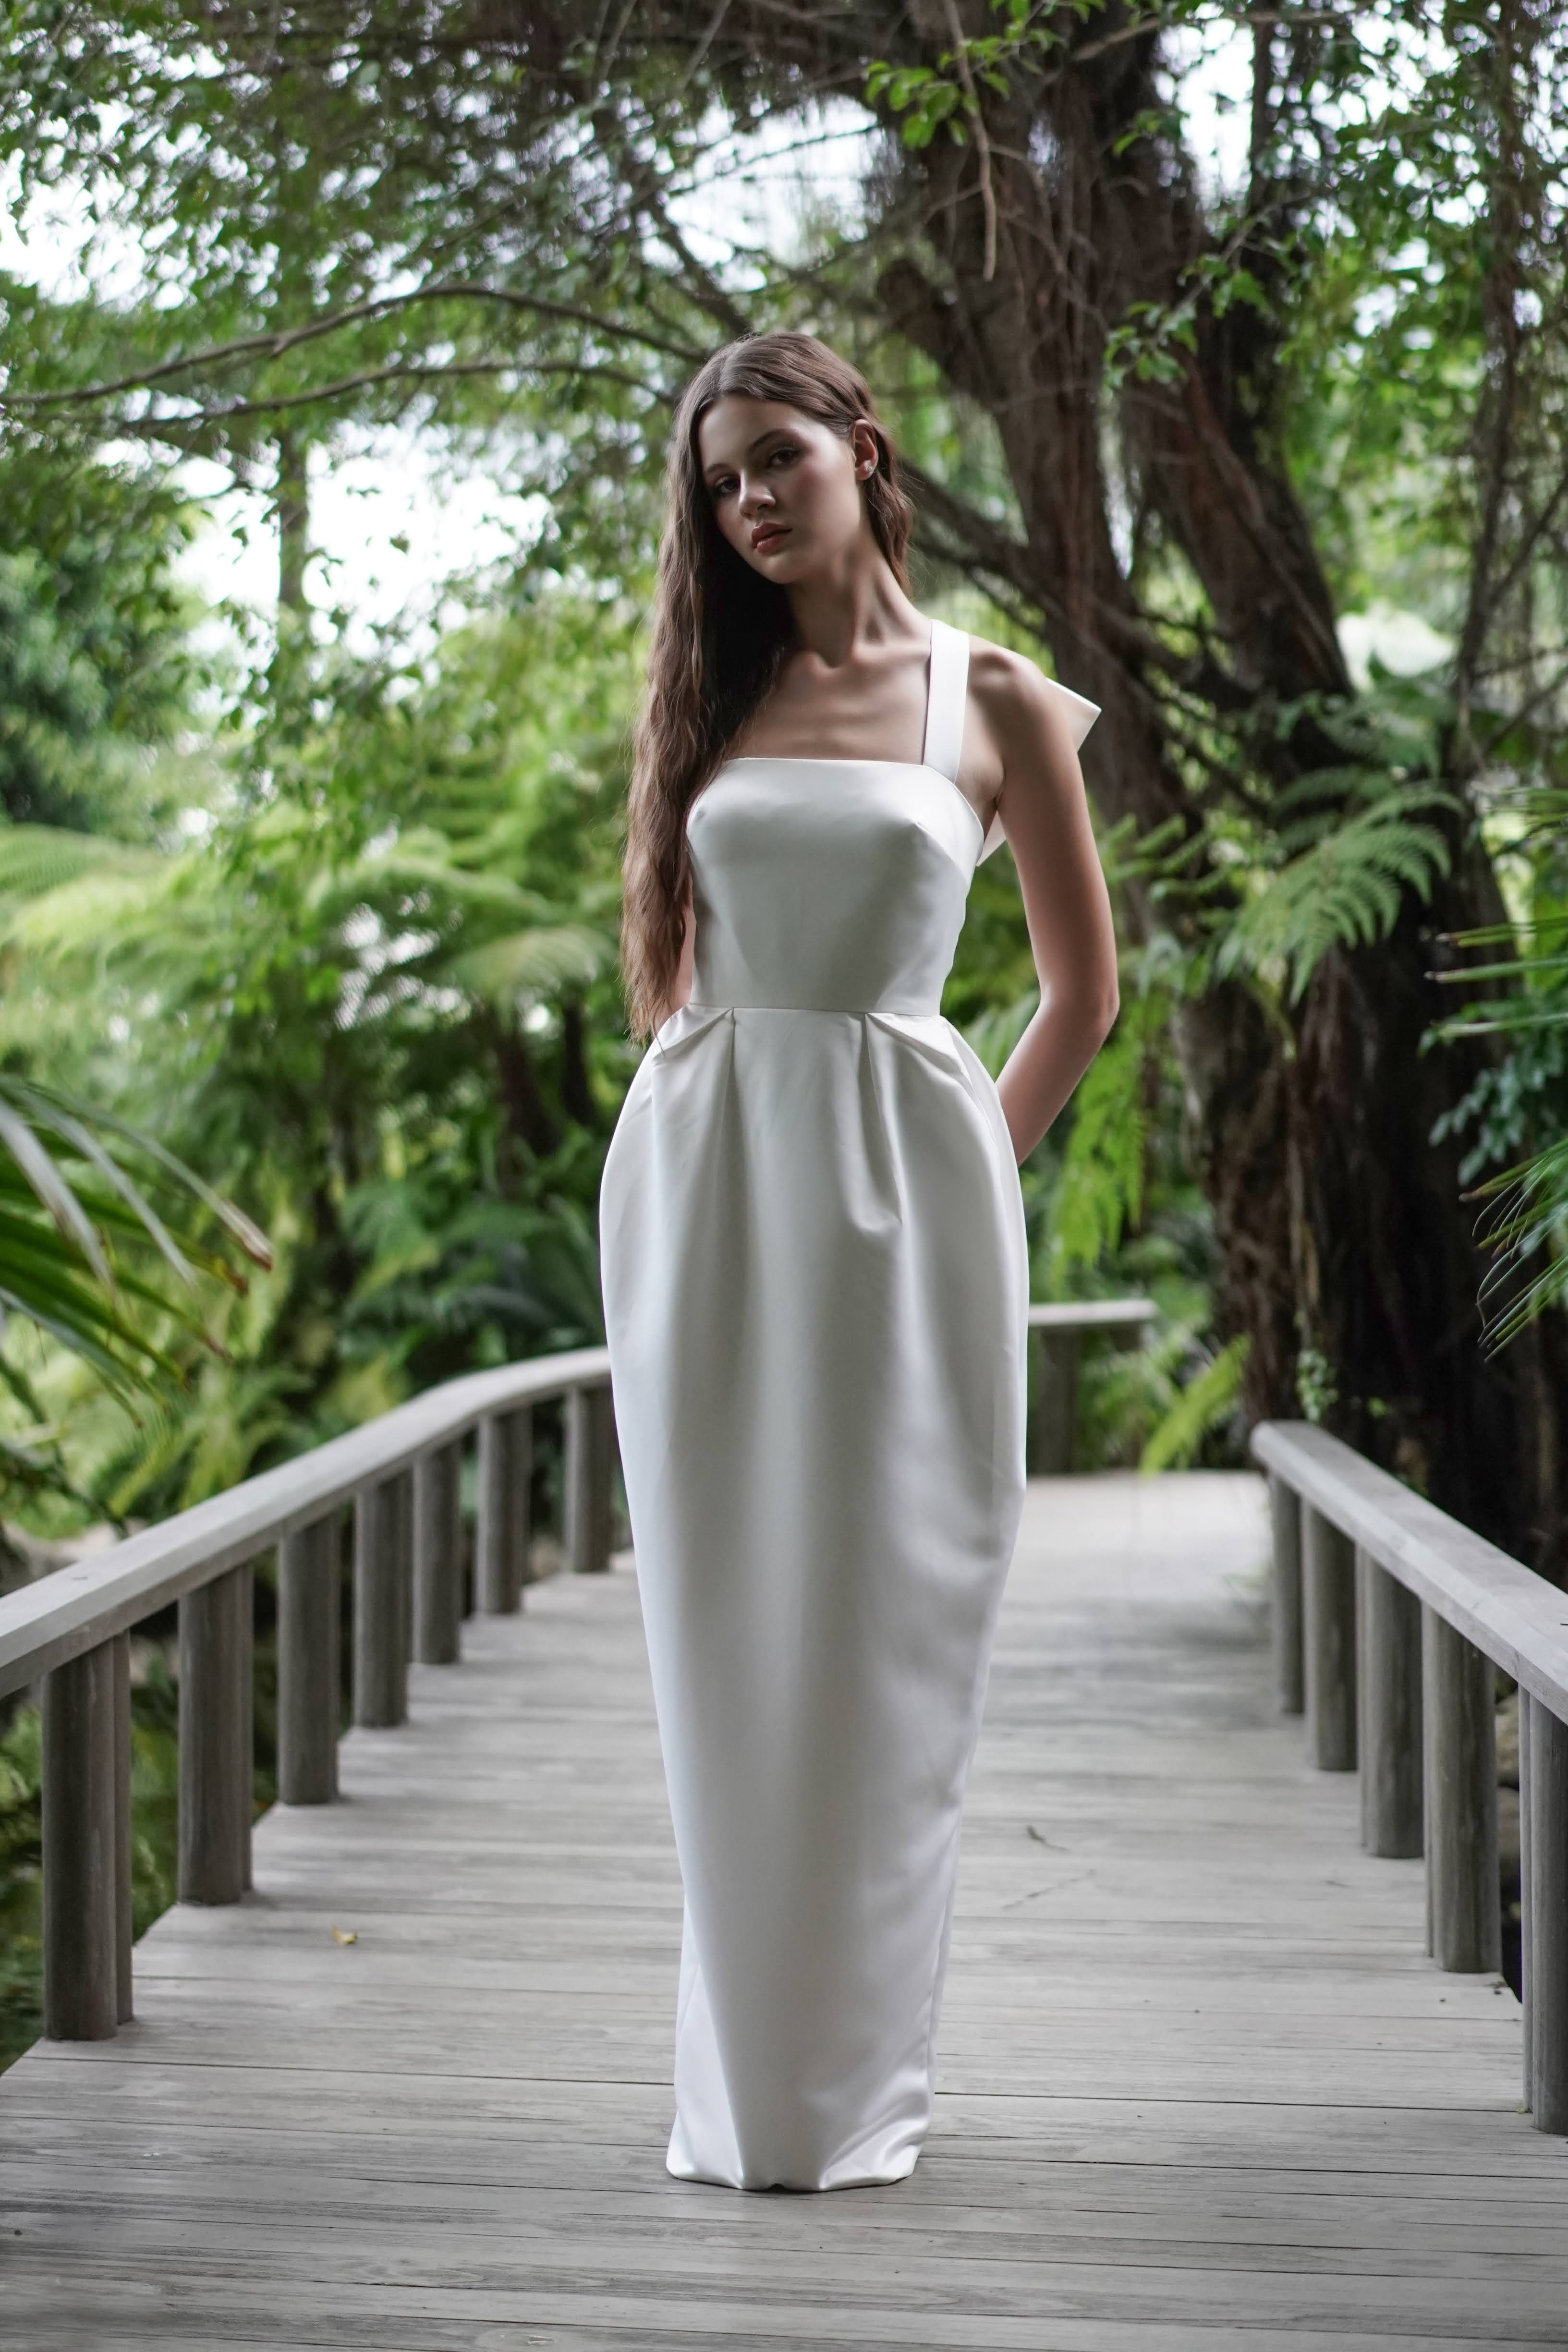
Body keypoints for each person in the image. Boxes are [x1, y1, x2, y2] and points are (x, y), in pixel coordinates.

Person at [599, 331, 1118, 2192]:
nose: (746, 499)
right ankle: (740, 2096)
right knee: (729, 1636)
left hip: (905, 1201)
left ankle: (850, 2092)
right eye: (718, 477)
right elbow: (683, 981)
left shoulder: (993, 703)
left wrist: (962, 1169)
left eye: (774, 459)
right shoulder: (701, 699)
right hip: (708, 1184)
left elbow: (1081, 996)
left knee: (887, 1632)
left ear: (860, 451)